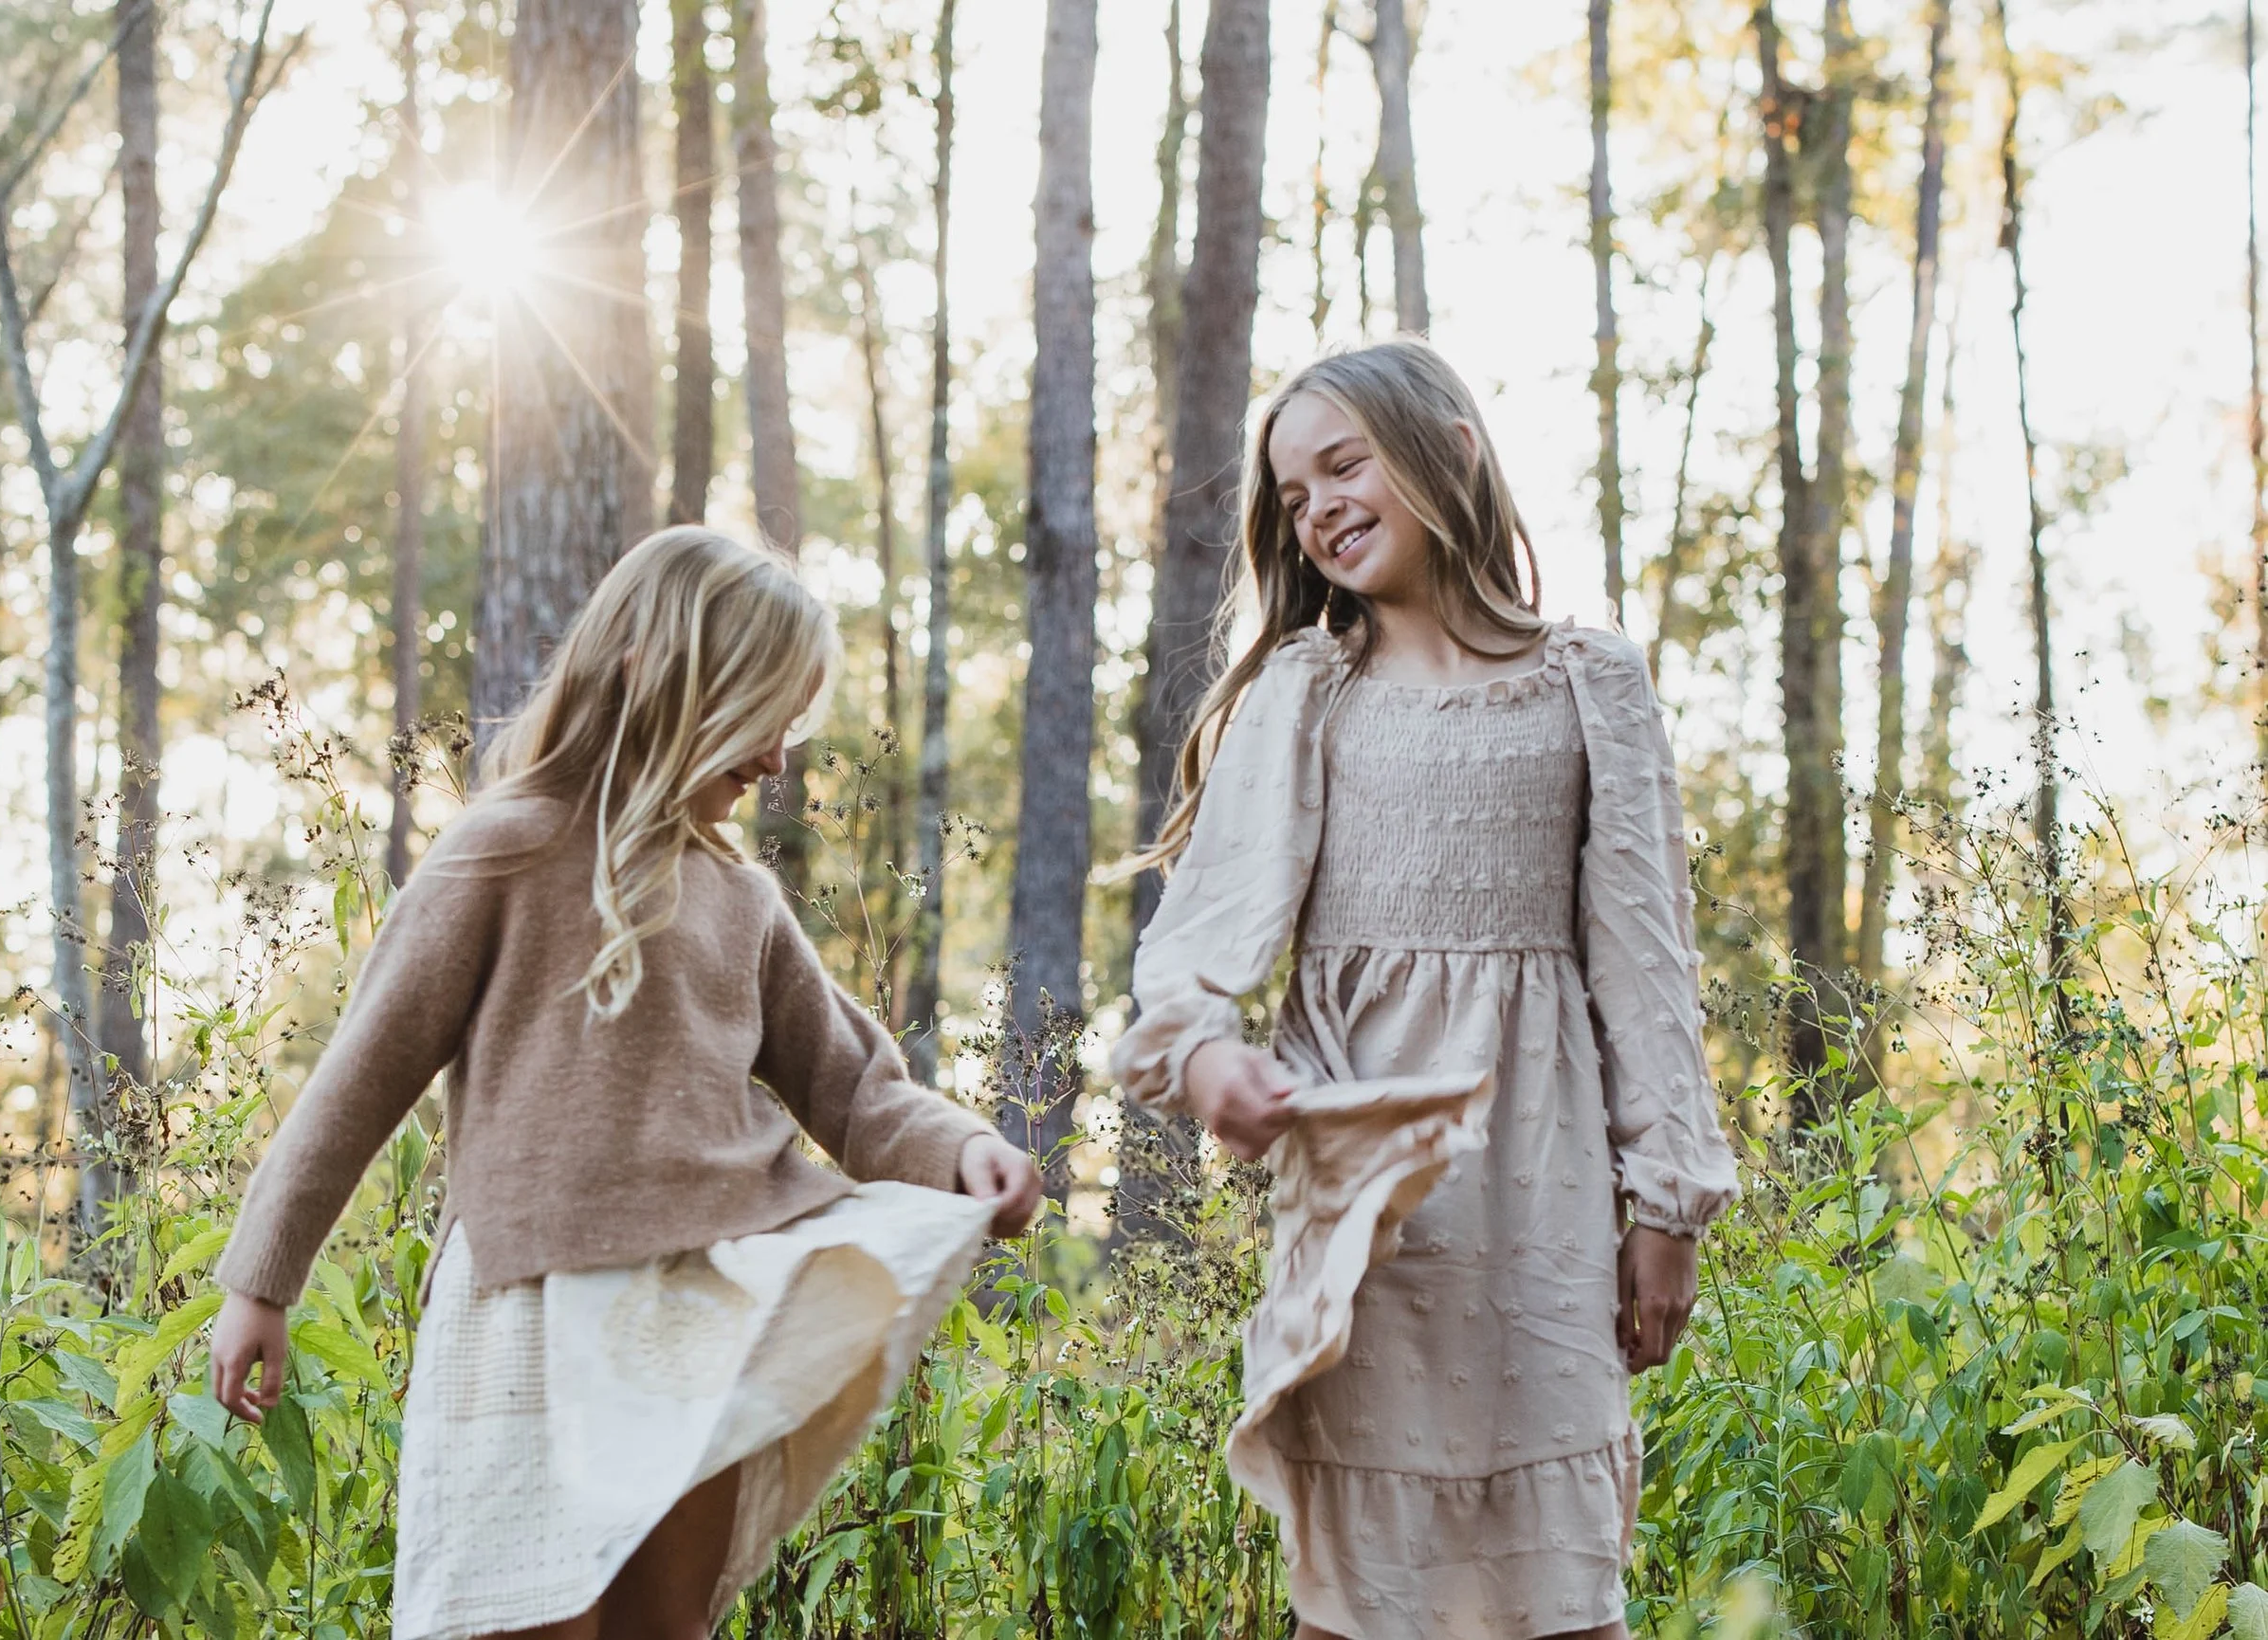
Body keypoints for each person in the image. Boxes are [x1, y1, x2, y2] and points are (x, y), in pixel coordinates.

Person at [209, 526, 1043, 1640]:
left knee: (664, 1623)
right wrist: (261, 1280)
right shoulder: (500, 852)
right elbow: (358, 1077)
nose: (780, 760)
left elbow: (851, 1085)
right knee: (515, 1610)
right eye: (766, 717)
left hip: (688, 1309)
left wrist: (956, 1147)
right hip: (527, 1302)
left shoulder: (740, 899)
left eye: (795, 726)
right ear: (659, 672)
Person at [1113, 339, 1739, 1640]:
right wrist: (1205, 1054)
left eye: (1345, 465)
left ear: (1449, 450)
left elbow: (1646, 961)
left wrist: (1667, 1199)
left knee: (1565, 1595)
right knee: (1358, 1599)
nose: (1322, 506)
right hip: (1369, 1208)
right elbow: (1201, 934)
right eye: (1294, 495)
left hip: (1545, 1201)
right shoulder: (1306, 691)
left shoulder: (1588, 683)